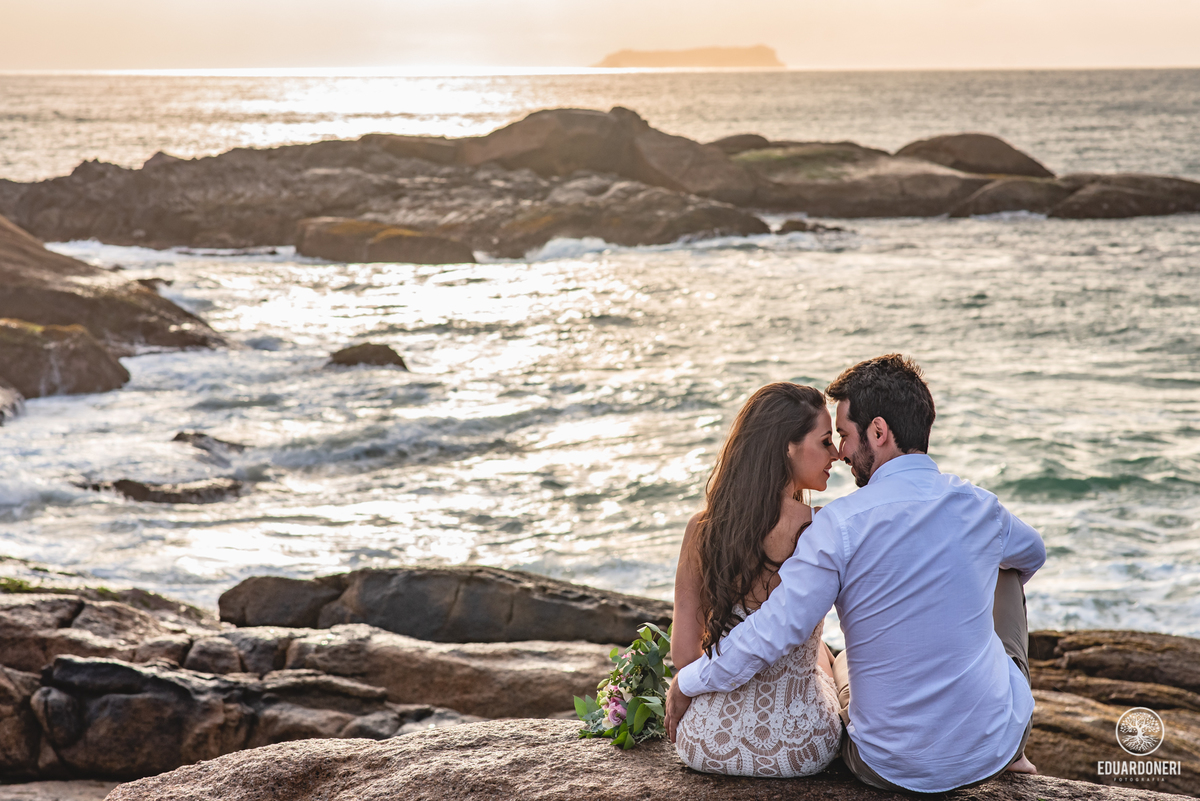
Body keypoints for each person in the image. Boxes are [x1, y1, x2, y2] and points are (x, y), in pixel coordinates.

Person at [666, 355, 1046, 794]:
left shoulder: (839, 524)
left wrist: (689, 681)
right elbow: (1033, 554)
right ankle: (1013, 748)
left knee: (844, 663)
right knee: (1008, 571)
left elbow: (774, 628)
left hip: (883, 766)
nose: (841, 452)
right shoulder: (980, 506)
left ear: (879, 432)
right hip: (989, 750)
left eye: (843, 436)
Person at [671, 382, 844, 777]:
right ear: (788, 447)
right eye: (825, 441)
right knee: (830, 659)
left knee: (818, 655)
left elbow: (684, 655)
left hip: (705, 742)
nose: (836, 453)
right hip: (797, 747)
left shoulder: (702, 529)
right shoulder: (819, 529)